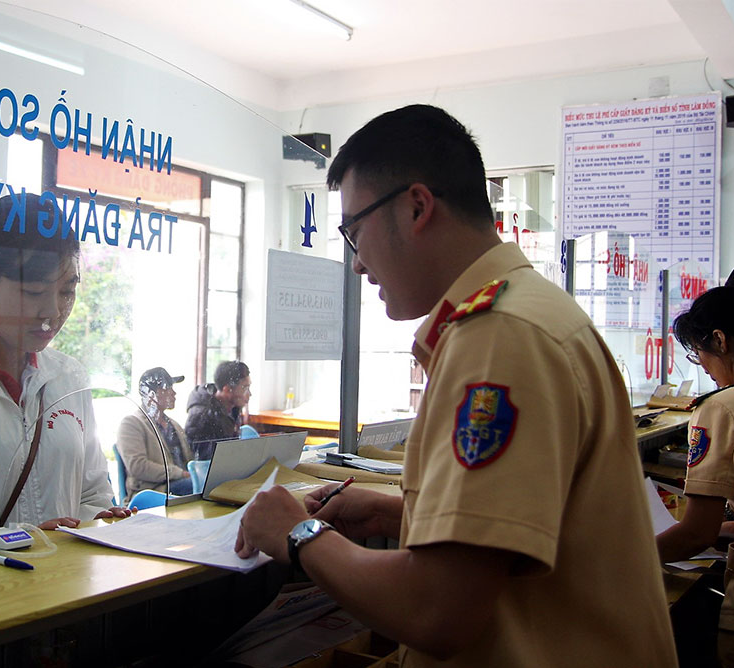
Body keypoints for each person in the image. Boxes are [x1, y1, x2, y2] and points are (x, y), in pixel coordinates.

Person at [234, 105, 677, 666]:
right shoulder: (531, 312)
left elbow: (438, 611)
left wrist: (298, 538)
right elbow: (532, 532)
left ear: (417, 207)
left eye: (353, 230)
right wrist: (401, 516)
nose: (355, 263)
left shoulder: (499, 337)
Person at [0, 193, 132, 535]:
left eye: (66, 292)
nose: (52, 313)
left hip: (62, 586)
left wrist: (99, 520)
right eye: (33, 292)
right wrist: (9, 542)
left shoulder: (68, 376)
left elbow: (92, 492)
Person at [656, 286, 734, 666]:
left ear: (721, 340)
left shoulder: (726, 407)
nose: (704, 367)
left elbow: (696, 534)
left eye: (698, 353)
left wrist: (632, 556)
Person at [117, 367, 194, 500]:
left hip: (180, 486)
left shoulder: (174, 425)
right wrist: (180, 473)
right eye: (168, 388)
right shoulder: (131, 424)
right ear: (151, 394)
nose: (174, 393)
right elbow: (138, 466)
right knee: (197, 486)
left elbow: (189, 459)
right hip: (153, 492)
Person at [184, 360, 251, 458]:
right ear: (227, 390)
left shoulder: (233, 409)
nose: (249, 394)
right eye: (245, 388)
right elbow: (203, 460)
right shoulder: (201, 417)